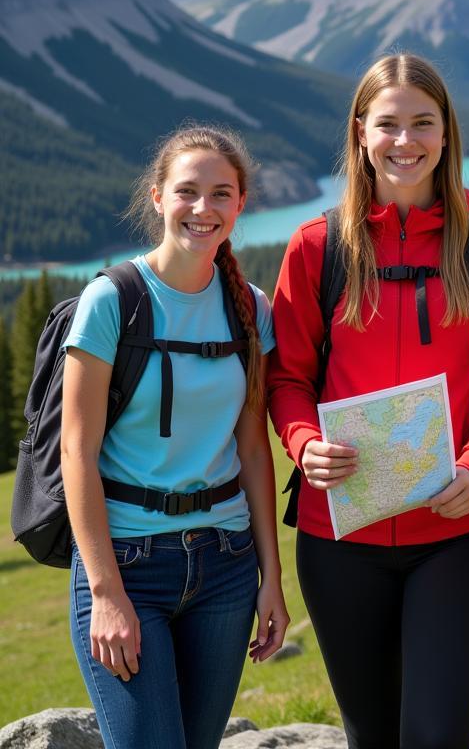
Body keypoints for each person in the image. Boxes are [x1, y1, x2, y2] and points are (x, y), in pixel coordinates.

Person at [268, 52, 469, 749]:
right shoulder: (317, 247)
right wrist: (303, 445)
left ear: (447, 133)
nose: (405, 140)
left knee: (436, 738)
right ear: (361, 131)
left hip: (458, 534)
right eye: (388, 123)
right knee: (370, 737)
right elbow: (287, 380)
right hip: (339, 536)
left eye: (423, 122)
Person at [61, 125, 288, 749]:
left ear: (240, 204)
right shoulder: (112, 300)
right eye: (187, 191)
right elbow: (76, 450)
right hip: (129, 565)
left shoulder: (251, 308)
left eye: (221, 194)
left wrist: (272, 577)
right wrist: (104, 593)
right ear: (157, 197)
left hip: (227, 566)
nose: (203, 208)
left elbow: (252, 450)